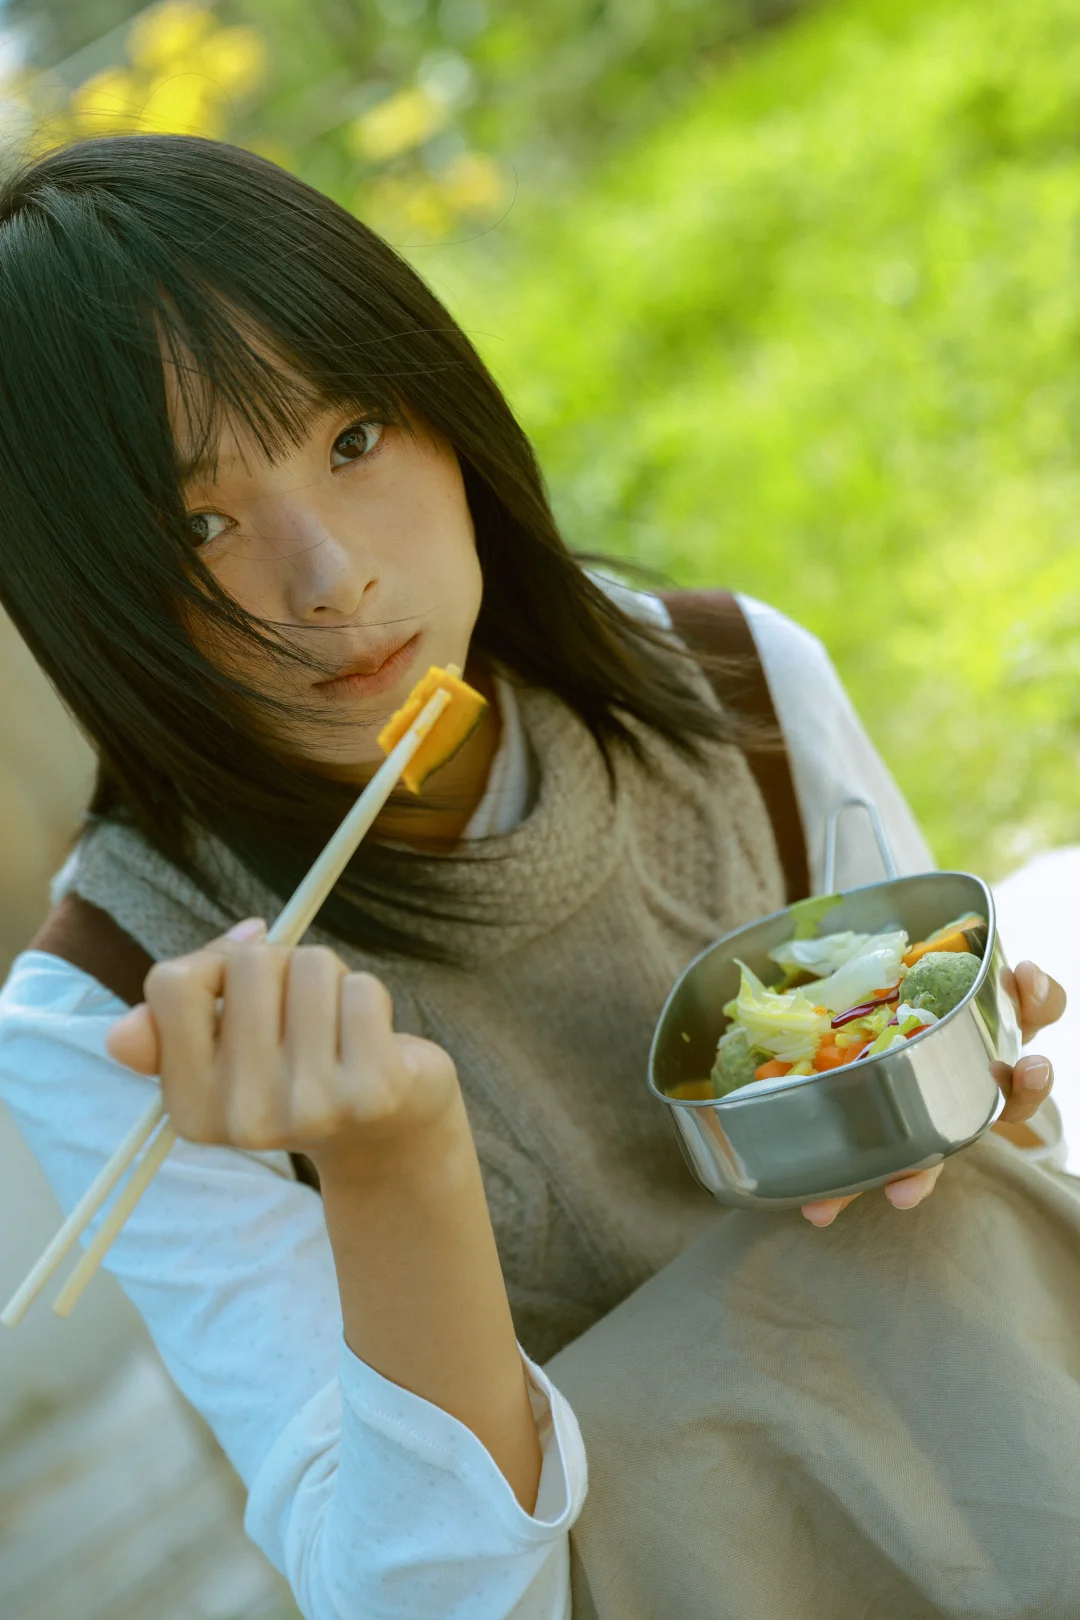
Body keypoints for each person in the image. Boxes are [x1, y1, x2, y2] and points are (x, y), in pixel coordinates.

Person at [0, 135, 1065, 1620]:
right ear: (85, 598)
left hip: (980, 1465)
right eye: (200, 526)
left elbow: (959, 1179)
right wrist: (394, 1171)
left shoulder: (733, 681)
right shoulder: (111, 1006)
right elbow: (418, 1603)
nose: (330, 579)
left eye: (353, 437)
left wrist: (960, 1101)